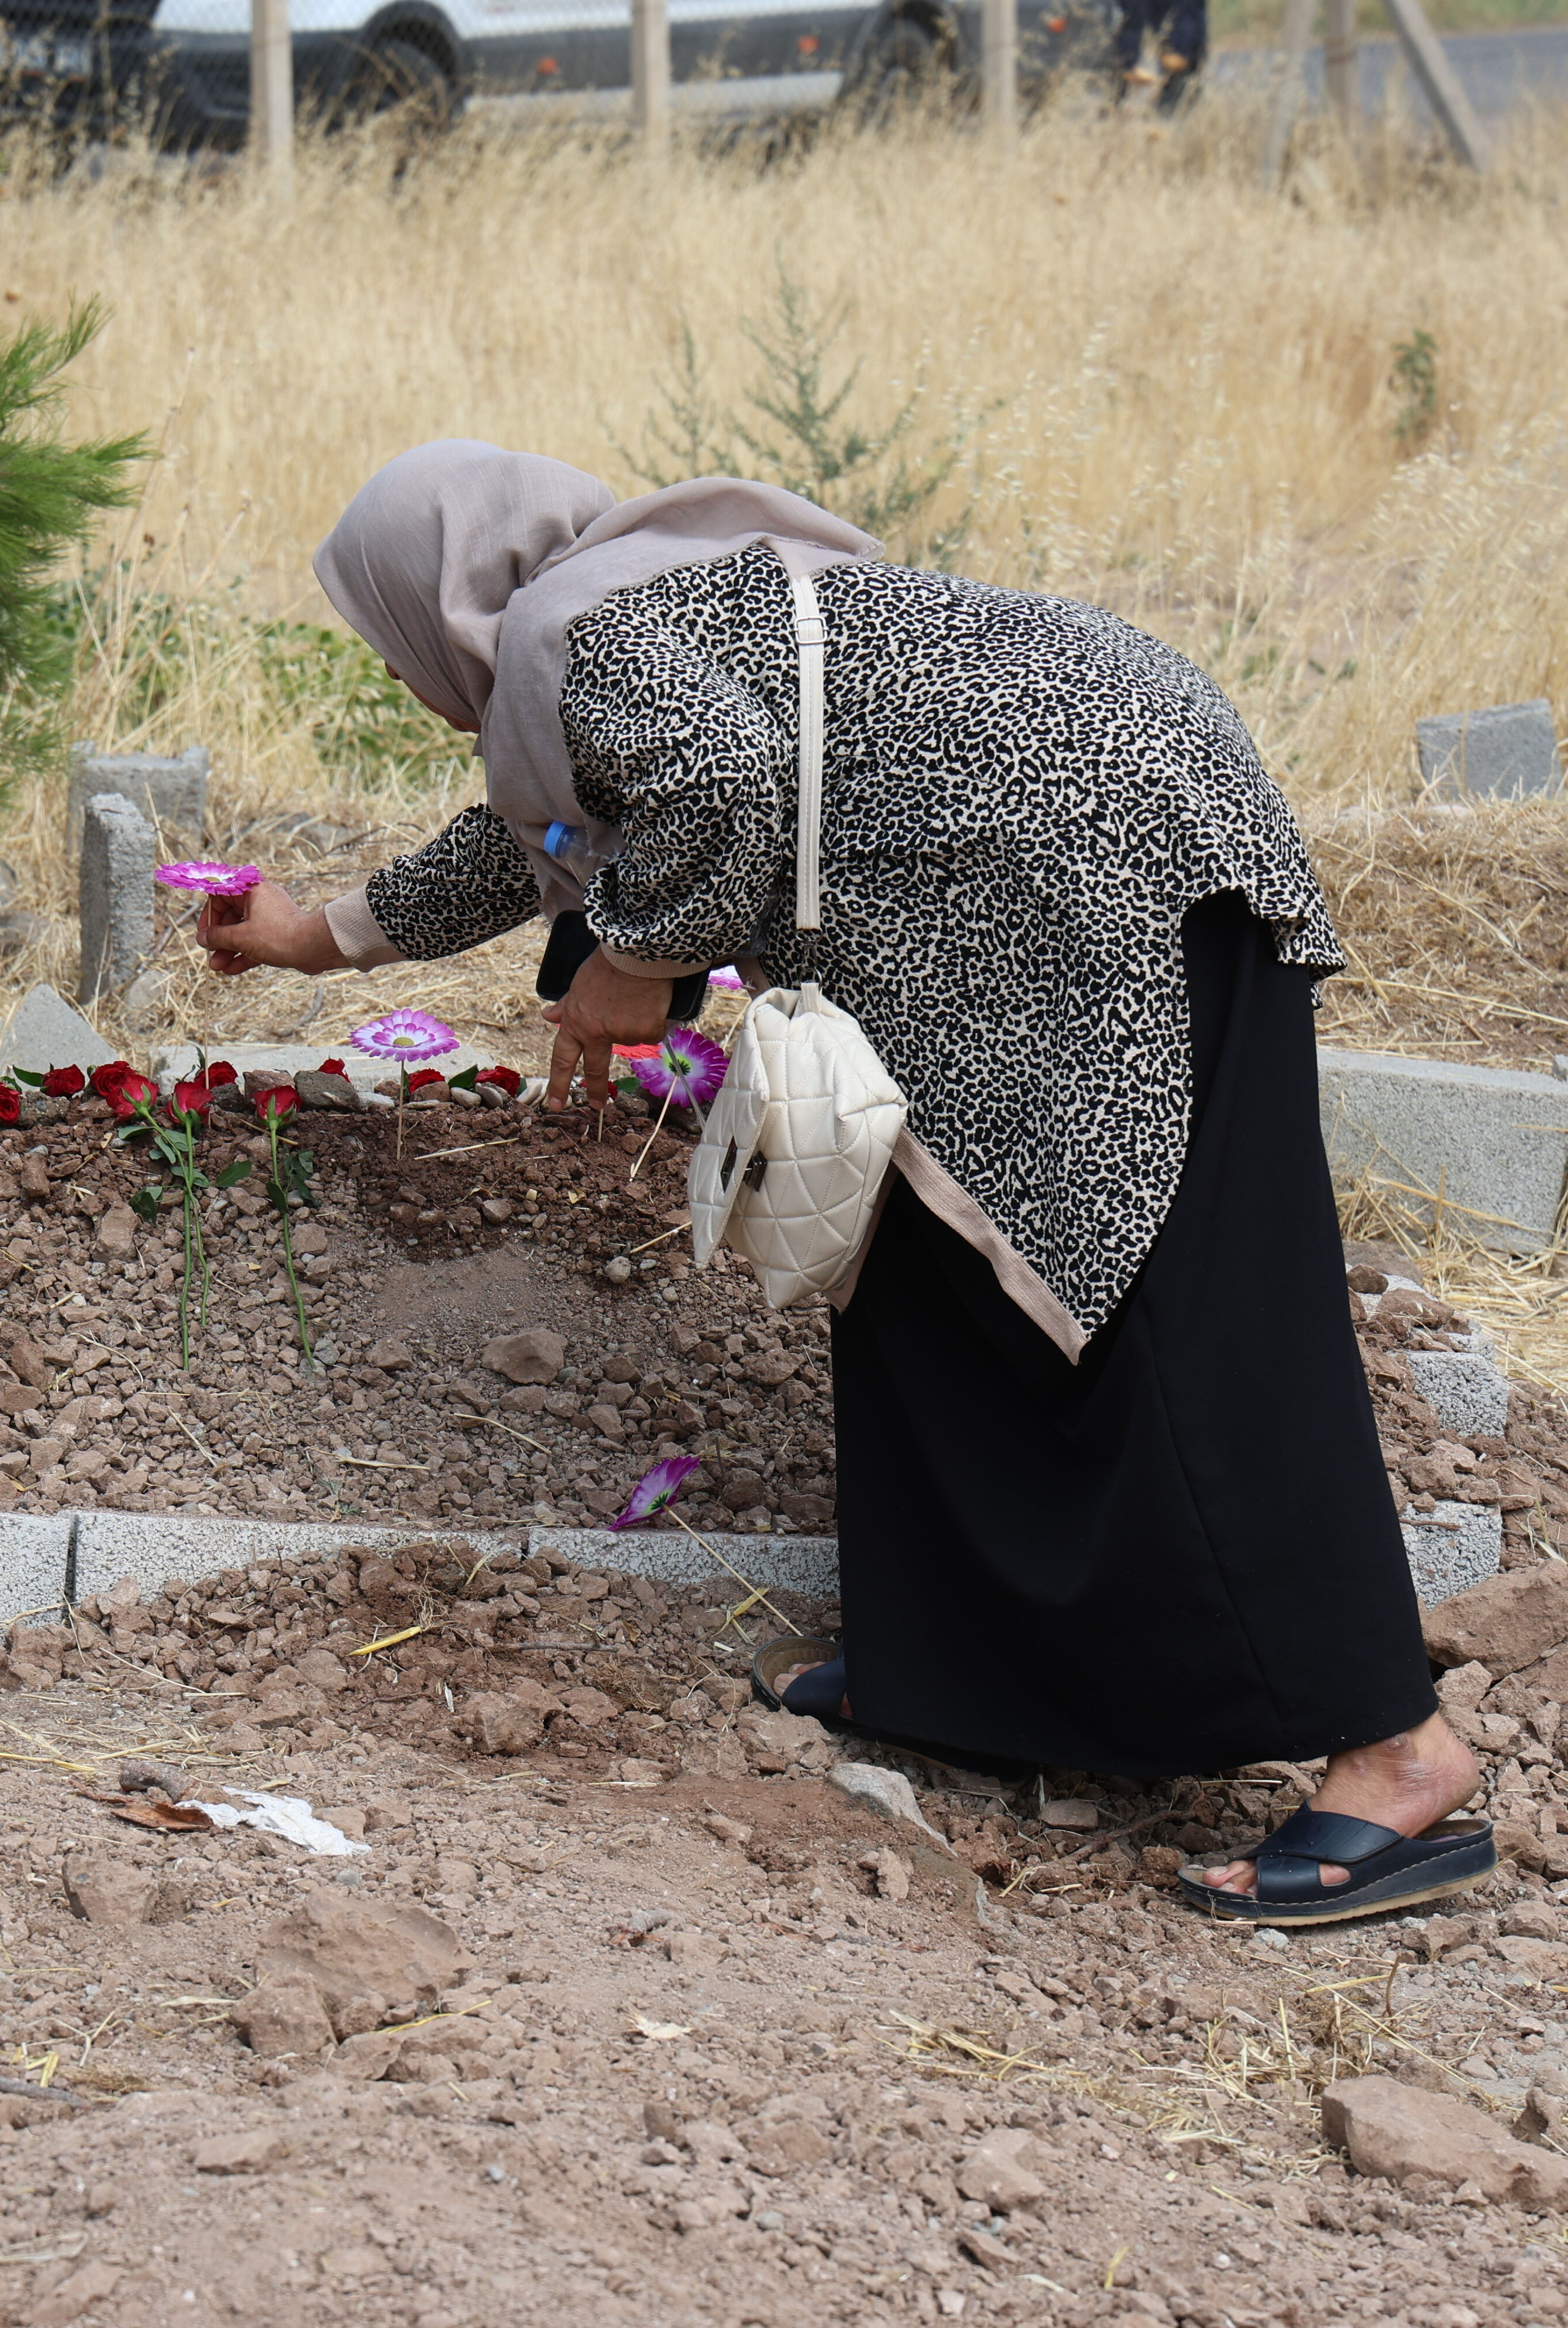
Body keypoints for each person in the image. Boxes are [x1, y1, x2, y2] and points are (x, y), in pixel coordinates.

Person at [186, 439, 1491, 1927]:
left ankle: (1399, 1753)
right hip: (1053, 851)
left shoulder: (579, 635)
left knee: (1184, 1303)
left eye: (389, 630)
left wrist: (630, 967)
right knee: (935, 1258)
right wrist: (323, 934)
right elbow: (559, 828)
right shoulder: (616, 608)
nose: (405, 669)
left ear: (439, 596)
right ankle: (976, 1664)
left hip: (1110, 864)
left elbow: (721, 785)